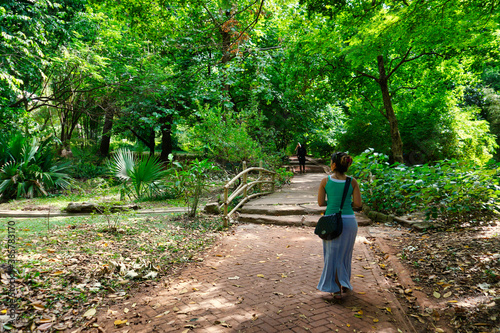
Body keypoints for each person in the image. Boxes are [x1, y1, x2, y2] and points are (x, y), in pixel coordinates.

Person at [317, 152, 362, 299]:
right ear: (347, 165)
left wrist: (333, 203)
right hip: (349, 221)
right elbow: (357, 204)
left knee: (332, 255)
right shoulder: (352, 182)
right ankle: (344, 283)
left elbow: (320, 203)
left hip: (331, 221)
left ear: (333, 164)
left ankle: (334, 288)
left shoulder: (325, 181)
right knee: (345, 254)